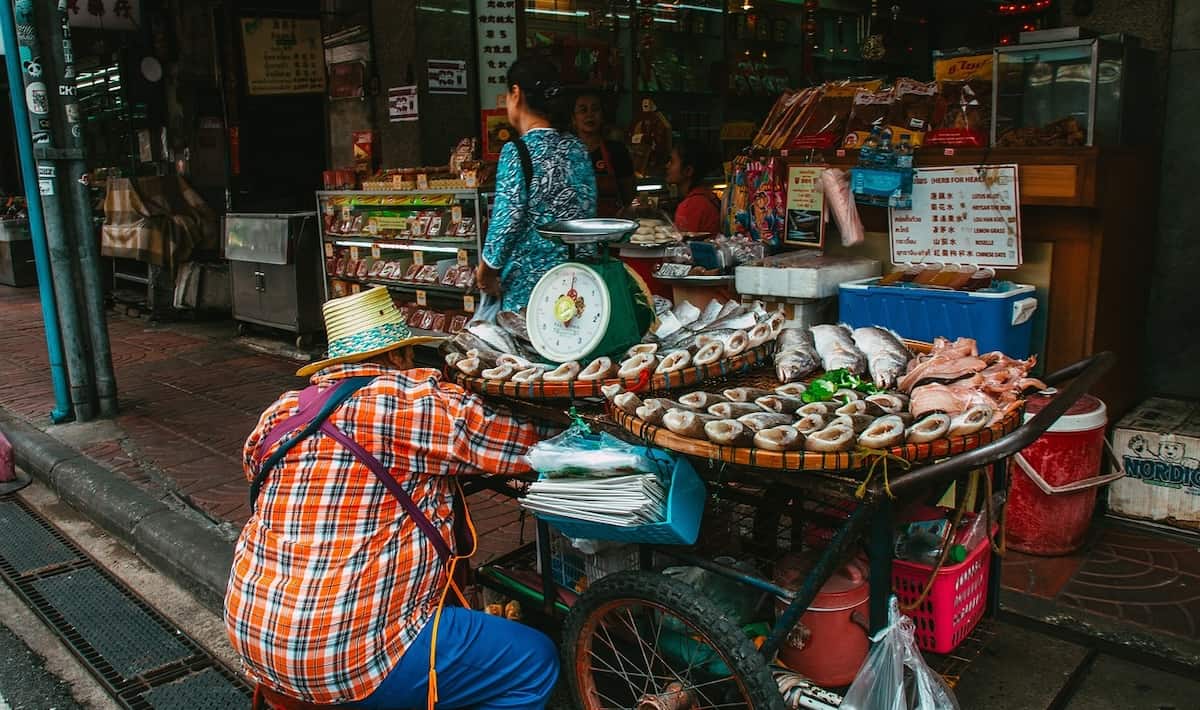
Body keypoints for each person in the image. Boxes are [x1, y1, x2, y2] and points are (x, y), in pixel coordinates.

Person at [225, 286, 559, 710]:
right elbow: (526, 444)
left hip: (252, 632)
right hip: (342, 657)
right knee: (533, 662)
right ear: (399, 356)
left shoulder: (281, 413)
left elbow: (256, 473)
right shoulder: (409, 402)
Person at [476, 59, 598, 313]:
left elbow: (507, 220)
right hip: (580, 283)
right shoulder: (577, 148)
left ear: (516, 93)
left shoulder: (517, 151)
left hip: (531, 290)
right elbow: (587, 208)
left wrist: (486, 271)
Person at [572, 89, 634, 216]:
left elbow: (629, 196)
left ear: (602, 116)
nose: (590, 115)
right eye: (583, 110)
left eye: (595, 109)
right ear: (574, 119)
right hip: (575, 225)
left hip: (610, 224)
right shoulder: (566, 153)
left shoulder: (617, 150)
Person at [665, 138, 722, 235]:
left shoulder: (692, 205)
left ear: (688, 171)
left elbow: (683, 243)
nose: (667, 166)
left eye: (672, 162)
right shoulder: (705, 196)